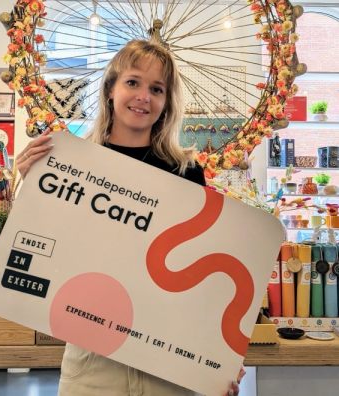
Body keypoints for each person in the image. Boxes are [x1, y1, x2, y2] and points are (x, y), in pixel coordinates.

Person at [16, 39, 244, 396]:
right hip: (93, 357)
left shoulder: (185, 172)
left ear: (166, 103)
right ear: (111, 89)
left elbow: (201, 275)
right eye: (133, 82)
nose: (143, 96)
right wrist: (29, 187)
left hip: (170, 360)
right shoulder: (73, 164)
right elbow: (45, 249)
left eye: (157, 89)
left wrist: (218, 359)